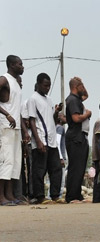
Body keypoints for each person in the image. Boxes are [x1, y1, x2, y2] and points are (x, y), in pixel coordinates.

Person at [28, 73, 63, 204]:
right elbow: (32, 120)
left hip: (52, 140)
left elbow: (53, 120)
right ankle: (40, 196)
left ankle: (55, 195)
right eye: (45, 85)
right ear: (38, 84)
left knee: (56, 169)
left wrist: (56, 112)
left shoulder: (49, 99)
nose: (47, 88)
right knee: (39, 170)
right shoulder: (33, 99)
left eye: (49, 86)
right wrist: (37, 140)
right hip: (41, 139)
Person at [0, 55, 29, 206]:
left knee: (16, 163)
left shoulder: (17, 83)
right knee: (6, 161)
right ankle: (1, 197)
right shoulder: (3, 79)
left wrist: (25, 131)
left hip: (16, 127)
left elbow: (18, 110)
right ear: (11, 65)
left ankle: (10, 195)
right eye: (20, 64)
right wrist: (7, 114)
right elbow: (10, 110)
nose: (22, 66)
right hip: (5, 126)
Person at [65, 77, 92, 203]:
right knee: (75, 167)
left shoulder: (77, 99)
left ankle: (77, 194)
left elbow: (86, 94)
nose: (84, 88)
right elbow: (76, 118)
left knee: (80, 167)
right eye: (82, 85)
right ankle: (71, 196)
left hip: (81, 136)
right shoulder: (72, 100)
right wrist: (87, 114)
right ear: (76, 87)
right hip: (75, 137)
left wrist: (81, 83)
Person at [56, 113, 67, 198]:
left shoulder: (56, 128)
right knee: (61, 180)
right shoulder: (60, 128)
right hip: (60, 157)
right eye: (64, 116)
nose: (65, 117)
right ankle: (58, 196)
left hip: (59, 157)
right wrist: (61, 157)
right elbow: (57, 142)